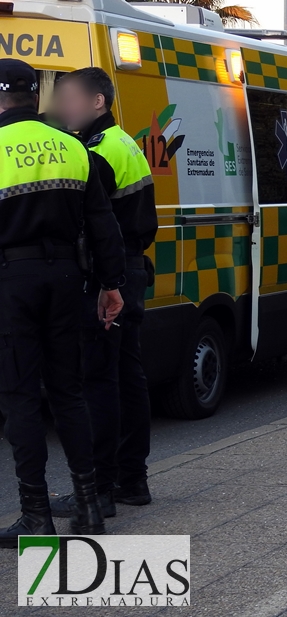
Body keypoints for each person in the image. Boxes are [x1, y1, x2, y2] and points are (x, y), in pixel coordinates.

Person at [0, 59, 126, 547]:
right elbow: (102, 225)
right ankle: (90, 505)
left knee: (20, 398)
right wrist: (110, 285)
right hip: (67, 280)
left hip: (12, 280)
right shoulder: (73, 146)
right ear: (37, 95)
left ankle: (36, 515)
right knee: (68, 392)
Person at [49, 67, 158, 518]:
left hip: (106, 277)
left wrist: (99, 283)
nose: (63, 108)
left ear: (98, 102)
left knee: (98, 381)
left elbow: (92, 225)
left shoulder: (97, 152)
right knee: (127, 377)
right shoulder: (123, 142)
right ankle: (132, 479)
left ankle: (99, 488)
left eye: (71, 99)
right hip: (129, 270)